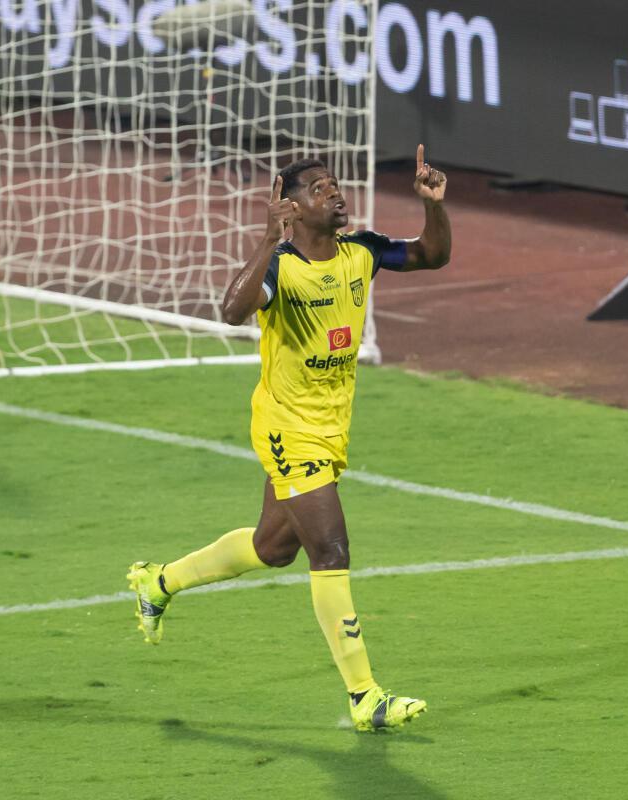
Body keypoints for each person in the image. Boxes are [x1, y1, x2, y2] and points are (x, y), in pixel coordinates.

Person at [127, 145, 451, 732]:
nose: (334, 192)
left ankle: (160, 580)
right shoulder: (281, 267)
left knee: (274, 548)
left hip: (330, 427)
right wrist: (264, 241)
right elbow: (232, 310)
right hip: (288, 427)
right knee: (331, 552)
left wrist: (433, 206)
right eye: (320, 188)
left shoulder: (362, 252)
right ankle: (365, 697)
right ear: (292, 207)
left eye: (335, 184)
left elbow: (432, 255)